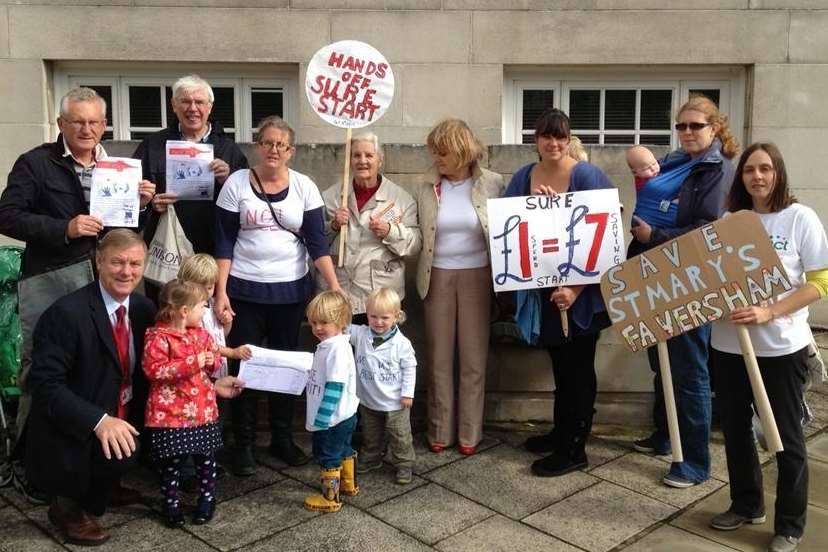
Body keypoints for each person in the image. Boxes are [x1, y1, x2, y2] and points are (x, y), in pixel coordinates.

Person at [0, 87, 155, 438]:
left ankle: (104, 447)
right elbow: (7, 216)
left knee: (110, 363)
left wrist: (141, 206)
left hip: (107, 277)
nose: (86, 130)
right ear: (61, 123)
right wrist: (64, 229)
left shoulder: (118, 167)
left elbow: (122, 230)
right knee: (43, 366)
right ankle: (32, 455)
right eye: (78, 122)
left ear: (104, 125)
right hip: (52, 279)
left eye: (94, 122)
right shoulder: (36, 162)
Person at [708, 143, 828, 552]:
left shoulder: (800, 218)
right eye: (748, 170)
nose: (756, 177)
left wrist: (770, 311)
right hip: (727, 346)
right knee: (736, 432)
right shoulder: (729, 220)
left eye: (765, 169)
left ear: (778, 173)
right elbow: (706, 280)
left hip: (780, 348)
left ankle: (789, 526)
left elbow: (821, 282)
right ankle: (746, 504)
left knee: (786, 439)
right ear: (740, 177)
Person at [214, 115, 341, 475]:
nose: (274, 150)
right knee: (245, 365)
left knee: (288, 368)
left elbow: (317, 242)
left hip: (290, 293)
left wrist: (333, 287)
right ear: (258, 145)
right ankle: (244, 443)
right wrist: (221, 292)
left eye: (281, 145)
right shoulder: (236, 184)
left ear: (291, 151)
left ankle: (283, 438)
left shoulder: (305, 187)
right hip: (244, 290)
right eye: (267, 143)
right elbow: (224, 242)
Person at [629, 95, 739, 488]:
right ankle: (665, 435)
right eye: (682, 126)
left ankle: (693, 462)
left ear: (715, 128)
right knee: (662, 362)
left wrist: (654, 233)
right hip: (657, 270)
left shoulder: (719, 168)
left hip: (691, 276)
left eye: (696, 125)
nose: (688, 132)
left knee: (690, 369)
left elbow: (709, 229)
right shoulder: (676, 160)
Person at [23, 230, 155, 546]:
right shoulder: (67, 314)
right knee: (116, 442)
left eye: (135, 263)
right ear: (99, 262)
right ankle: (65, 506)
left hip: (119, 405)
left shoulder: (143, 308)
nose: (127, 271)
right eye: (117, 262)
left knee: (134, 446)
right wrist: (99, 420)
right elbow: (45, 385)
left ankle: (104, 483)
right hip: (71, 423)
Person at [506, 109, 614, 477]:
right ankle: (560, 432)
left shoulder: (586, 175)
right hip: (545, 292)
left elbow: (602, 237)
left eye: (560, 137)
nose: (553, 143)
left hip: (580, 295)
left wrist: (576, 288)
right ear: (535, 140)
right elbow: (512, 226)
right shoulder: (524, 176)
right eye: (546, 137)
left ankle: (574, 448)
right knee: (560, 367)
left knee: (578, 370)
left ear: (569, 139)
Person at [416, 118, 504, 456]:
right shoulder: (426, 186)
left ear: (463, 151)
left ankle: (470, 433)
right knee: (438, 358)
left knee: (473, 359)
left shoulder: (492, 183)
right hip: (435, 275)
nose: (436, 158)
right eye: (434, 152)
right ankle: (439, 430)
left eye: (443, 152)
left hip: (478, 276)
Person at [133, 74, 248, 301]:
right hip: (166, 250)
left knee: (205, 317)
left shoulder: (228, 149)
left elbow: (247, 202)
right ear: (174, 106)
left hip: (212, 249)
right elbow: (133, 200)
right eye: (185, 101)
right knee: (166, 313)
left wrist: (229, 180)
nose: (192, 108)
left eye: (199, 102)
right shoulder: (153, 145)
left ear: (210, 107)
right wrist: (150, 204)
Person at [143, 279, 243, 528]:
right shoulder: (158, 337)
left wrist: (211, 361)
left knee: (206, 459)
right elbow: (154, 371)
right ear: (184, 311)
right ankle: (171, 503)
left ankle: (207, 499)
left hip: (202, 410)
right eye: (201, 307)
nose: (205, 311)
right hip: (170, 414)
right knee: (171, 462)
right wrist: (194, 362)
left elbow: (215, 361)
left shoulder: (201, 334)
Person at [321, 132, 421, 323]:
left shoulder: (401, 199)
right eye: (356, 155)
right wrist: (333, 225)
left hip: (381, 301)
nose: (362, 161)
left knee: (379, 351)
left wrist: (390, 232)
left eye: (369, 155)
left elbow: (415, 245)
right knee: (342, 351)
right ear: (349, 161)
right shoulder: (330, 197)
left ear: (380, 160)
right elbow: (314, 243)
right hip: (339, 293)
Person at [349, 288, 417, 485]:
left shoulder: (401, 344)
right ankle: (372, 458)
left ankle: (404, 464)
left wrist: (407, 394)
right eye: (373, 316)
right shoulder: (360, 334)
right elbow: (341, 325)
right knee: (371, 433)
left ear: (397, 316)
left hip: (395, 401)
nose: (378, 322)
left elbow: (410, 369)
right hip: (369, 399)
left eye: (385, 318)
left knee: (400, 435)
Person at [303, 291, 360, 513]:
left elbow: (335, 384)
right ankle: (349, 485)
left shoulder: (335, 349)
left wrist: (324, 418)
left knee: (328, 455)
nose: (317, 328)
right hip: (346, 414)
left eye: (324, 322)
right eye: (313, 322)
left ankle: (330, 497)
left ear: (341, 322)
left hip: (332, 418)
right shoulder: (333, 344)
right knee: (344, 448)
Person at [178, 254, 252, 379]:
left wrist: (227, 321)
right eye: (199, 287)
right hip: (200, 370)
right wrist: (232, 353)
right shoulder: (187, 310)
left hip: (218, 366)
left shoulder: (213, 303)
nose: (205, 292)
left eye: (210, 287)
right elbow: (202, 344)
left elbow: (223, 334)